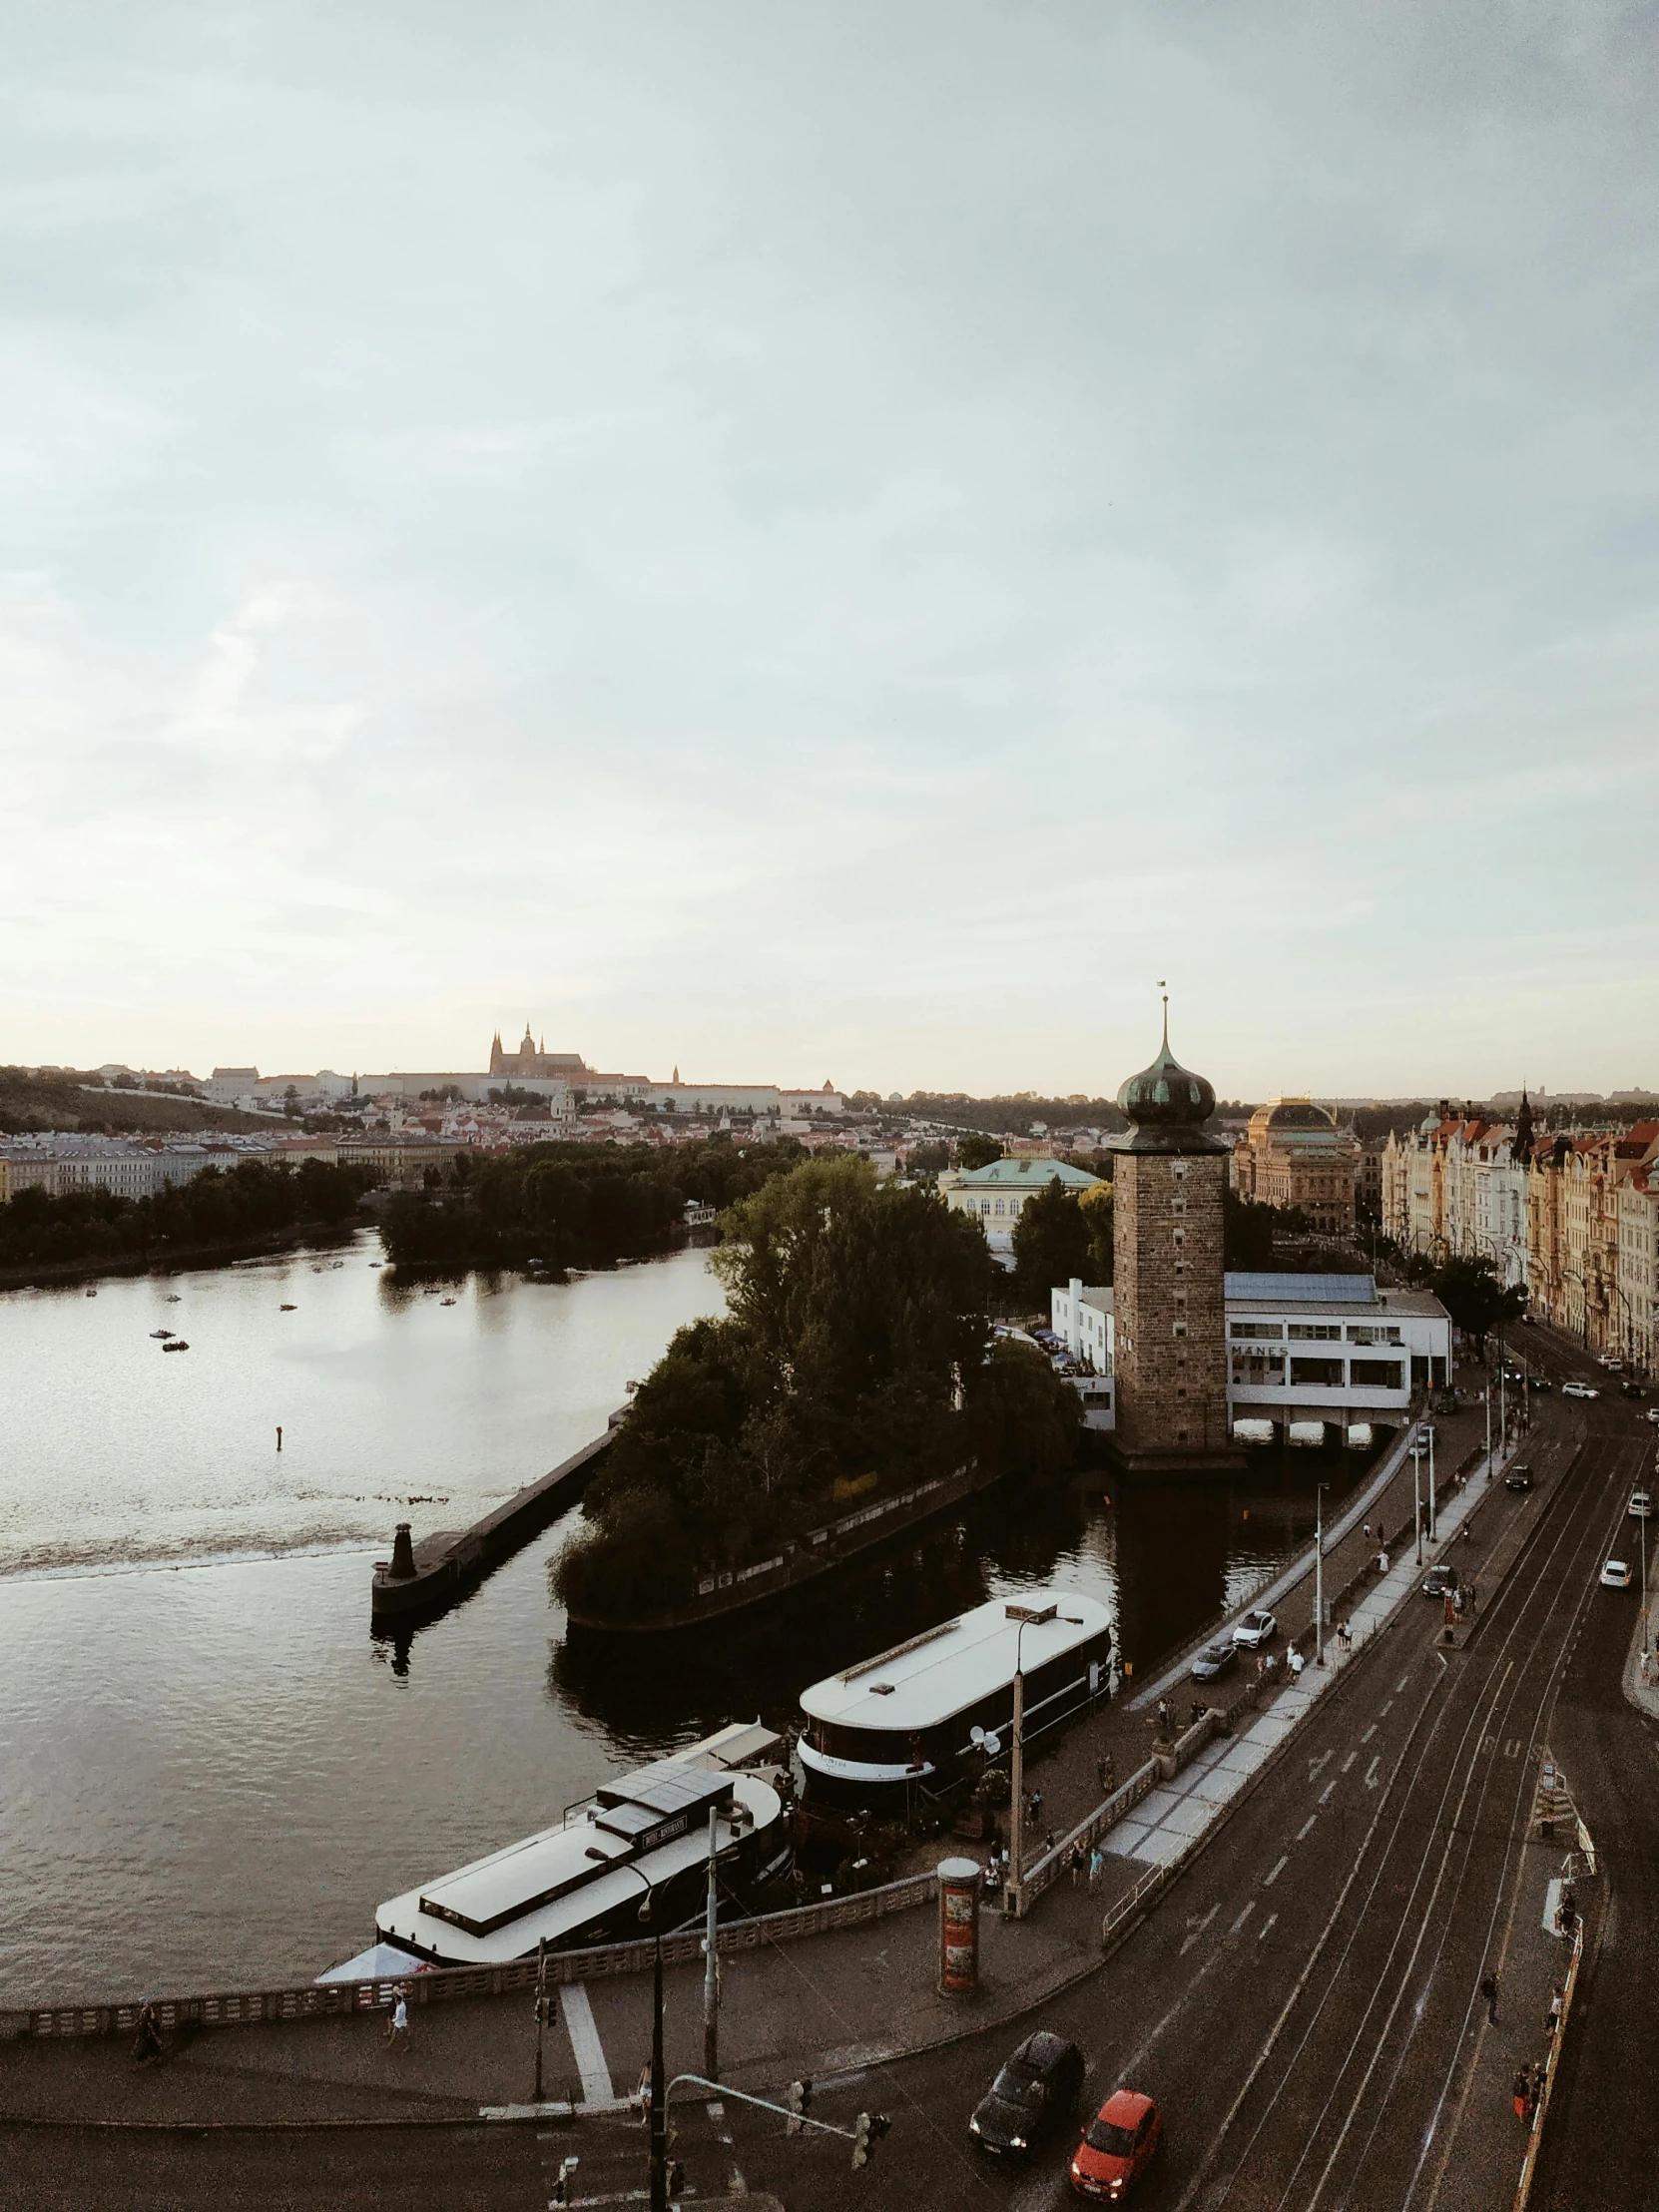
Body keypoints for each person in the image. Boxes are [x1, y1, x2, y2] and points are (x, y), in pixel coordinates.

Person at [132, 2000, 164, 2067]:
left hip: (151, 2041)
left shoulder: (152, 2023)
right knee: (143, 2053)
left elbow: (155, 2033)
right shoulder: (145, 2024)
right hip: (147, 2041)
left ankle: (155, 2061)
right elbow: (139, 2036)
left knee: (156, 2051)